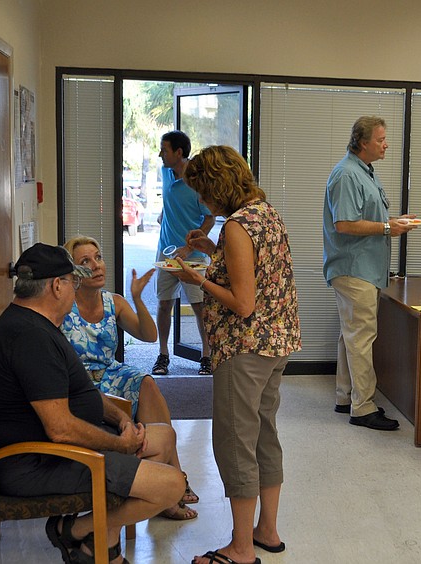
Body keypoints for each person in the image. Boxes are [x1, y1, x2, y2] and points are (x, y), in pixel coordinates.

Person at [0, 243, 184, 564]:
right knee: (172, 486)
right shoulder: (30, 339)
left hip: (57, 451)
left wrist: (121, 420)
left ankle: (100, 547)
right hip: (40, 463)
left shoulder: (37, 324)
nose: (76, 287)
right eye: (73, 280)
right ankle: (75, 529)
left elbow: (84, 391)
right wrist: (118, 444)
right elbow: (59, 429)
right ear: (57, 286)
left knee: (164, 437)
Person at [170, 145, 301, 564]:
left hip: (244, 347)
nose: (203, 202)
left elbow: (242, 303)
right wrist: (212, 251)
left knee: (235, 442)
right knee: (263, 433)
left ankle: (241, 549)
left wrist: (196, 277)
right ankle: (267, 530)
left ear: (217, 186)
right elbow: (257, 272)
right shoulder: (265, 213)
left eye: (203, 193)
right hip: (275, 343)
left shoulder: (238, 227)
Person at [61, 235, 199, 520]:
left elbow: (149, 336)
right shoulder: (63, 305)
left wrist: (137, 299)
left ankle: (169, 475)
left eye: (98, 257)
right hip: (80, 382)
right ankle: (172, 485)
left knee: (146, 382)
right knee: (139, 384)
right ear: (73, 271)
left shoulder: (114, 302)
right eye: (85, 261)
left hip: (111, 373)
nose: (96, 266)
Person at [322, 116, 417, 431]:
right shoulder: (347, 175)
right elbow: (345, 224)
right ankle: (363, 408)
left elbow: (368, 218)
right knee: (361, 338)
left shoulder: (364, 172)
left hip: (363, 268)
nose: (386, 144)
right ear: (363, 142)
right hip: (353, 269)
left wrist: (396, 221)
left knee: (350, 335)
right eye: (380, 139)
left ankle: (345, 396)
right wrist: (389, 228)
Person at [153, 130, 216, 376]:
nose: (160, 154)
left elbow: (210, 218)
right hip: (166, 253)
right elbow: (170, 200)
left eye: (164, 150)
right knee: (163, 303)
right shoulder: (165, 172)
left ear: (179, 153)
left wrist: (189, 247)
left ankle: (206, 356)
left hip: (194, 256)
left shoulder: (198, 182)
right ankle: (163, 355)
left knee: (200, 308)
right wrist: (165, 215)